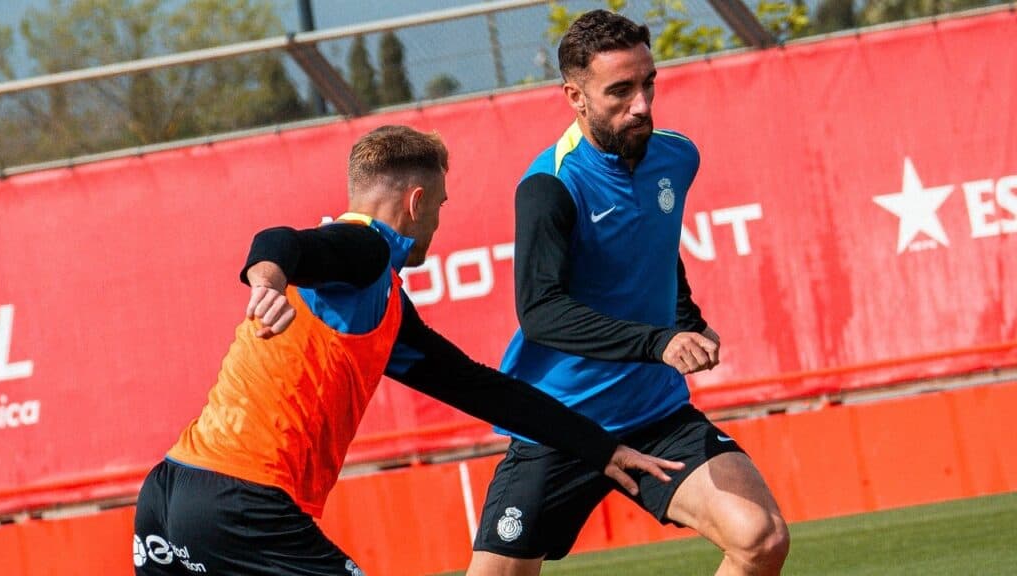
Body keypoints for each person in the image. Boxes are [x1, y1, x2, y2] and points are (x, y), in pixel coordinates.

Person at [132, 125, 683, 576]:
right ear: (416, 201)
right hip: (243, 503)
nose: (439, 223)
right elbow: (282, 241)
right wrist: (266, 282)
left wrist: (600, 448)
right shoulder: (366, 249)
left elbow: (480, 388)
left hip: (169, 495)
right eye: (440, 206)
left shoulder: (382, 303)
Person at [467, 10, 790, 576]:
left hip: (656, 415)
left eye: (648, 84)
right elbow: (541, 313)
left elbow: (657, 244)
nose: (641, 104)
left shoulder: (677, 155)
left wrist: (686, 318)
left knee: (761, 539)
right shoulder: (551, 185)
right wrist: (657, 342)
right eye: (619, 90)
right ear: (575, 95)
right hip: (561, 424)